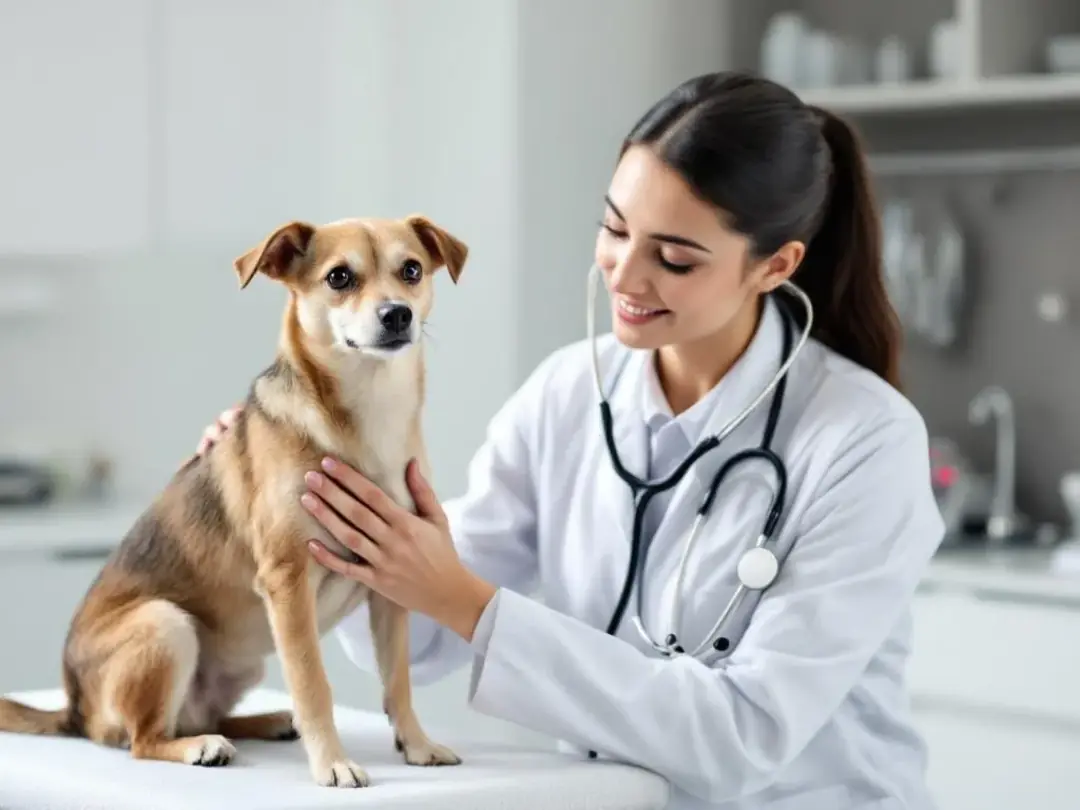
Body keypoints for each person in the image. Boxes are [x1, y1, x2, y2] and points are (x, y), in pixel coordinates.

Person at [196, 71, 944, 809]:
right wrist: (293, 507)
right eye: (615, 229)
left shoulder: (865, 443)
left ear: (775, 266)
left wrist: (471, 604)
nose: (625, 272)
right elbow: (422, 642)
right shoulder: (569, 393)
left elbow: (744, 736)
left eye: (675, 258)